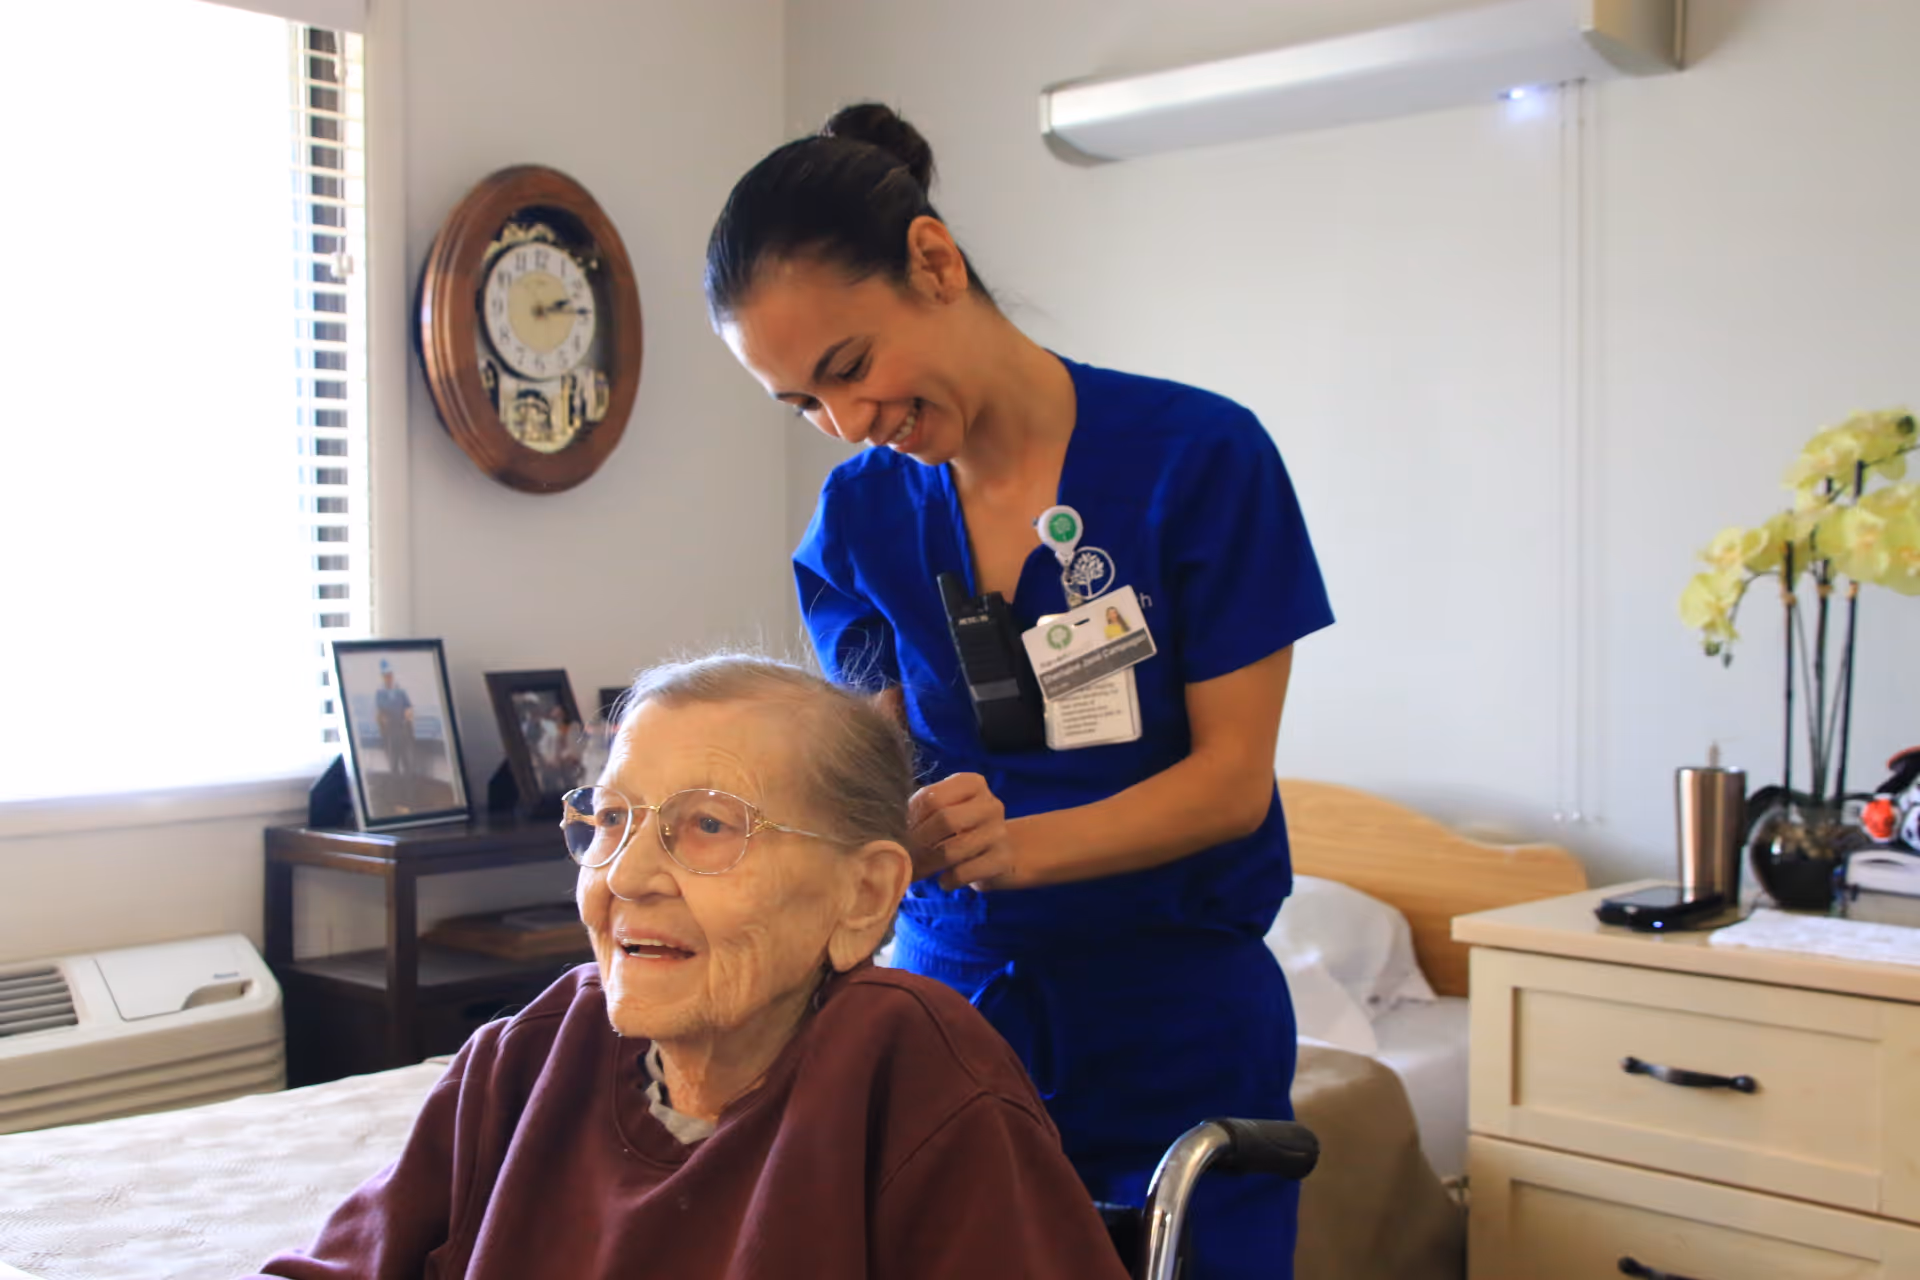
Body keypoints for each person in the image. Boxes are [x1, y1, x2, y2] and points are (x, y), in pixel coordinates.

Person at [705, 104, 1334, 1278]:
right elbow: (874, 782)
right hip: (953, 1022)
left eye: (848, 369)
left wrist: (1015, 848)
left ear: (934, 264)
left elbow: (1230, 785)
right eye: (803, 406)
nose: (849, 425)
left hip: (1177, 1023)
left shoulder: (1199, 458)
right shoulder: (860, 521)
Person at [246, 656, 1130, 1280]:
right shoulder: (529, 1056)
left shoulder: (911, 1073)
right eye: (610, 820)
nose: (624, 876)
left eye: (709, 826)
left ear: (863, 897)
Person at [371, 660, 415, 778]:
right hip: (390, 733)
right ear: (383, 677)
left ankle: (408, 790)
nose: (388, 678)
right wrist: (384, 722)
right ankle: (395, 787)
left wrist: (408, 713)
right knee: (393, 762)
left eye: (390, 675)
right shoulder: (380, 694)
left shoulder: (400, 691)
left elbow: (408, 706)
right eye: (386, 676)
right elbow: (381, 712)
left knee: (407, 762)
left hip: (402, 730)